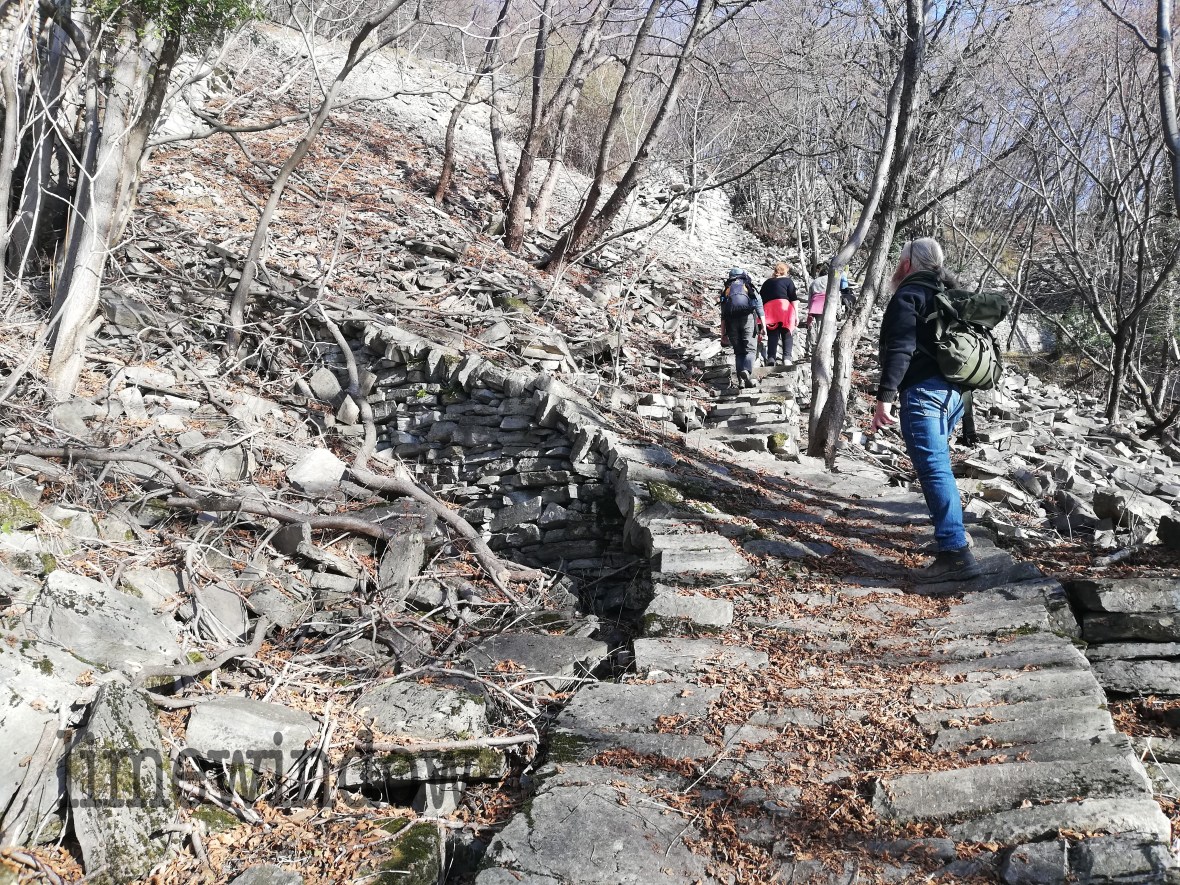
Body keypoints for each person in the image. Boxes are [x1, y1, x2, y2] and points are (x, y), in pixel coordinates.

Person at [870, 238, 982, 583]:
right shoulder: (950, 294)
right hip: (955, 396)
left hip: (924, 394)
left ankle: (954, 551)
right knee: (939, 466)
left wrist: (884, 397)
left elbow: (901, 347)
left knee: (934, 470)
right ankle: (953, 535)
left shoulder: (909, 294)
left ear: (906, 264)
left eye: (899, 262)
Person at [720, 267, 765, 389]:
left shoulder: (727, 289)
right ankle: (746, 370)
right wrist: (763, 326)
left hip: (731, 321)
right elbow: (759, 307)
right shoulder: (748, 286)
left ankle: (742, 381)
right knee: (750, 349)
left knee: (739, 352)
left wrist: (723, 334)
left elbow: (723, 315)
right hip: (747, 319)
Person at [760, 262, 797, 364]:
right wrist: (796, 315)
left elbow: (761, 299)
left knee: (772, 334)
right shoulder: (788, 281)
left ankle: (771, 358)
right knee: (787, 332)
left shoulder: (767, 282)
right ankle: (787, 359)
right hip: (784, 308)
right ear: (785, 271)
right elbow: (793, 299)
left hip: (769, 309)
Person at [805, 264, 828, 355]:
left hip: (815, 303)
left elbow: (810, 296)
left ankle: (811, 345)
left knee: (813, 325)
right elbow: (836, 294)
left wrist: (809, 307)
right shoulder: (830, 280)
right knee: (822, 324)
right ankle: (821, 345)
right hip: (825, 303)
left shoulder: (814, 281)